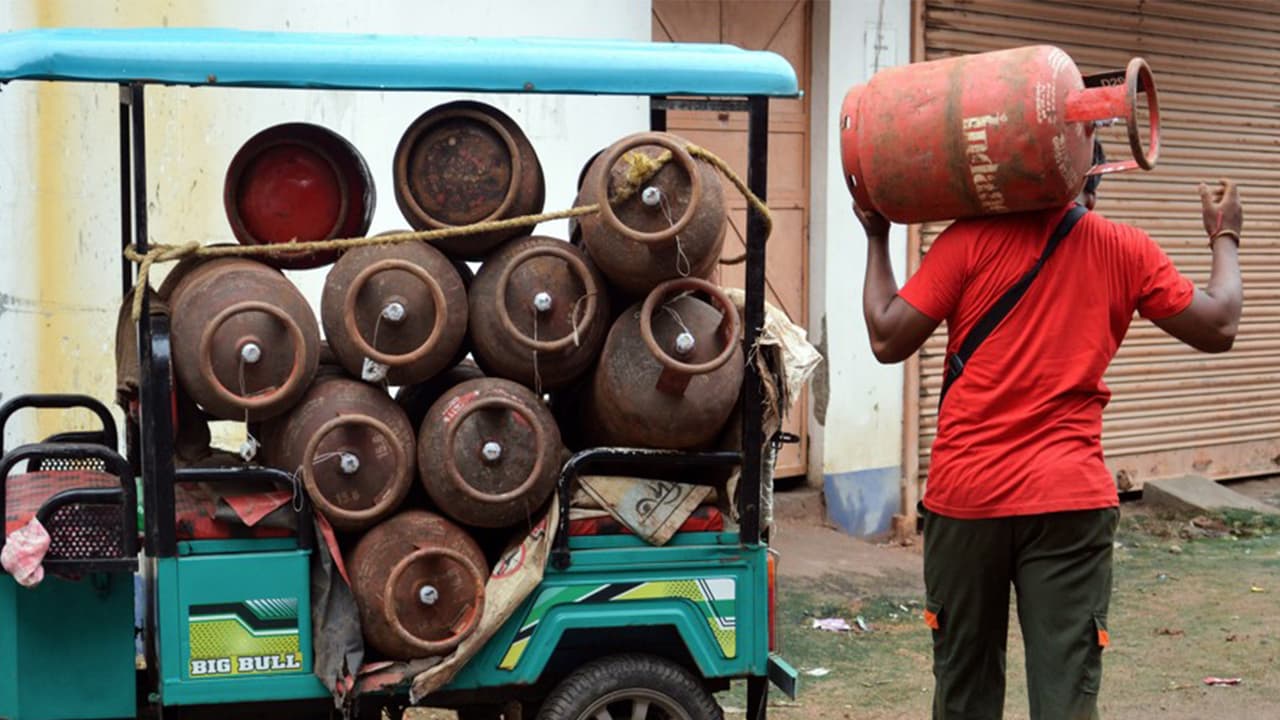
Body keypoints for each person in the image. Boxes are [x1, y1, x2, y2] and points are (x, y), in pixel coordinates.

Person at [856, 141, 1244, 720]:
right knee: (1066, 696)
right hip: (1069, 502)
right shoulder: (1124, 248)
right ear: (1091, 185)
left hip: (967, 501)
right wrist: (1224, 235)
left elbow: (887, 337)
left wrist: (876, 235)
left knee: (964, 692)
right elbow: (1219, 325)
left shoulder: (966, 240)